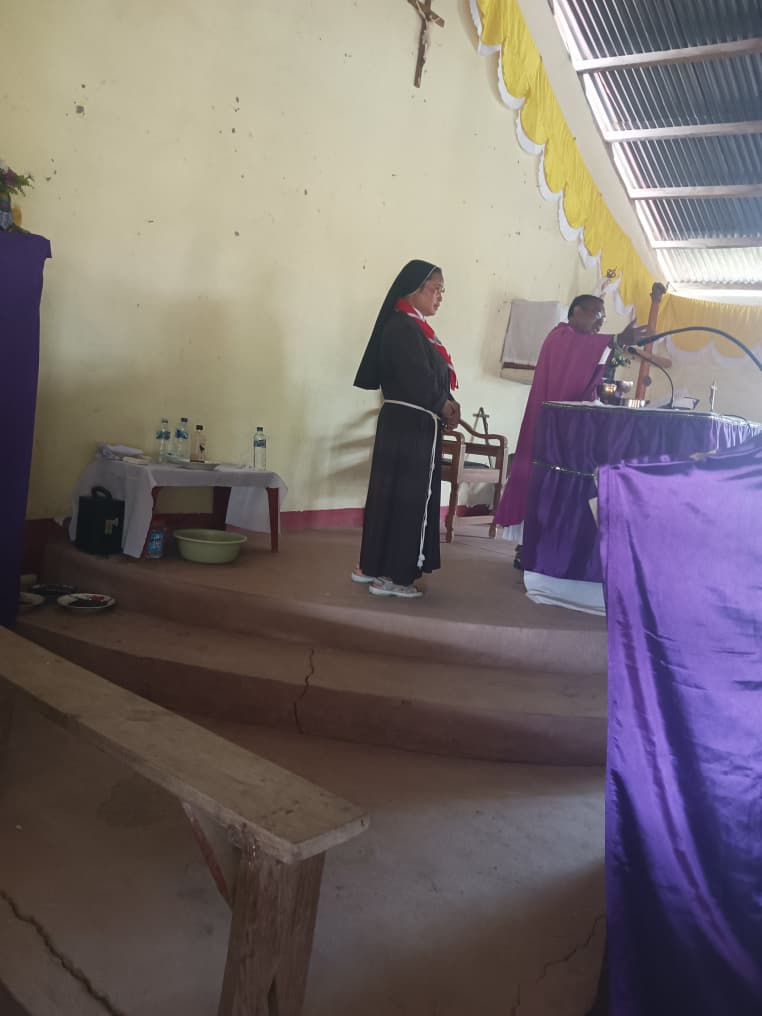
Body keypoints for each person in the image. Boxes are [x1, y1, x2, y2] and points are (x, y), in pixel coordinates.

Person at [495, 294, 650, 563]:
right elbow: (577, 356)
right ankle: (528, 547)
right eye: (596, 315)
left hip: (567, 428)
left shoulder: (578, 342)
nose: (600, 322)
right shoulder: (561, 337)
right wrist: (615, 340)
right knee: (540, 482)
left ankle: (545, 547)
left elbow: (584, 378)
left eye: (603, 318)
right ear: (576, 311)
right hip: (548, 428)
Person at [353, 260, 461, 599]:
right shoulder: (403, 328)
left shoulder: (412, 327)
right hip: (413, 426)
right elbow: (418, 379)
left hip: (404, 423)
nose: (440, 296)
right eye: (436, 289)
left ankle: (374, 565)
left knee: (390, 496)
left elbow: (427, 379)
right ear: (415, 288)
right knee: (410, 499)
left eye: (443, 290)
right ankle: (395, 576)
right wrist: (444, 405)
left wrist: (447, 401)